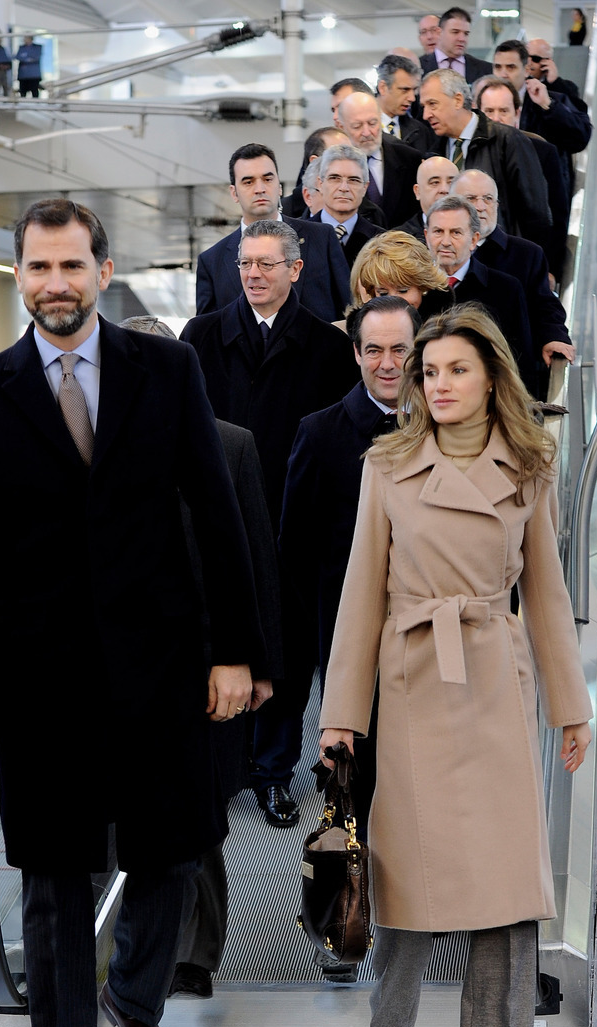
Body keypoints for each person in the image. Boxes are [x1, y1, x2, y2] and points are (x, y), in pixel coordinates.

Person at [0, 199, 265, 1027]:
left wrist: (237, 652)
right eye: (38, 267)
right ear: (19, 276)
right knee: (55, 888)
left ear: (103, 270)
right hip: (44, 683)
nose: (55, 283)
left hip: (160, 668)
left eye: (71, 265)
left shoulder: (166, 371)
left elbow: (216, 512)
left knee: (177, 850)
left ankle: (135, 997)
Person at [318, 303, 592, 1027]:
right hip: (413, 683)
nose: (438, 384)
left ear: (490, 377)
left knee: (506, 896)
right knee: (411, 874)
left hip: (496, 687)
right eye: (429, 372)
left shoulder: (530, 467)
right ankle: (390, 1017)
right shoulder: (388, 465)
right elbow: (360, 593)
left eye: (455, 370)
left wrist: (571, 707)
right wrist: (340, 715)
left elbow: (546, 592)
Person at [115, 316, 283, 1003]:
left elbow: (257, 560)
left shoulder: (230, 444)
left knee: (202, 818)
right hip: (124, 672)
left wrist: (260, 665)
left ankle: (196, 955)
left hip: (211, 668)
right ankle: (131, 953)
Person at [182, 220, 359, 828]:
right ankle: (225, 767)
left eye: (266, 264)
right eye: (245, 264)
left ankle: (274, 772)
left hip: (294, 519)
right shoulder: (201, 338)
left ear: (296, 270)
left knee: (288, 650)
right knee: (225, 641)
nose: (253, 274)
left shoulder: (329, 348)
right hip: (222, 518)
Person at [281, 295, 422, 836]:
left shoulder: (447, 427)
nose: (387, 364)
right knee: (357, 779)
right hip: (353, 640)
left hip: (429, 635)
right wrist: (329, 626)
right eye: (374, 350)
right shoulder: (320, 433)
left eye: (399, 350)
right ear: (357, 354)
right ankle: (362, 886)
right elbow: (295, 548)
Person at [195, 143, 351, 323]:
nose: (260, 189)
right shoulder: (212, 261)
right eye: (248, 182)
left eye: (267, 179)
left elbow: (348, 309)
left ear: (280, 186)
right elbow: (206, 330)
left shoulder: (321, 238)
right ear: (234, 193)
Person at [451, 168, 573, 397]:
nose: (480, 206)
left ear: (497, 205)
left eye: (488, 198)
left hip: (510, 378)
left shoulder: (527, 254)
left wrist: (554, 337)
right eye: (471, 198)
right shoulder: (436, 254)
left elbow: (545, 306)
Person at [418, 69, 551, 252]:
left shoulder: (508, 140)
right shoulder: (433, 151)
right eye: (424, 106)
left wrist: (525, 260)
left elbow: (535, 211)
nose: (426, 115)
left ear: (458, 100)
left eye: (432, 104)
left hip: (502, 257)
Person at [420, 194, 534, 392]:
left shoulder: (506, 289)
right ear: (426, 235)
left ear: (474, 240)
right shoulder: (413, 288)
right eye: (438, 231)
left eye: (456, 233)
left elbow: (521, 361)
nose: (445, 242)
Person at [472, 76, 569, 280]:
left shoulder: (543, 152)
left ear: (517, 113)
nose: (496, 118)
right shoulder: (469, 150)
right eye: (489, 111)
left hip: (524, 261)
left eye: (503, 111)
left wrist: (549, 268)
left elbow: (557, 216)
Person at [491, 40, 591, 208]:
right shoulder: (482, 100)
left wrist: (548, 106)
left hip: (544, 201)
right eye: (498, 67)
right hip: (498, 200)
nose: (503, 74)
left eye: (511, 67)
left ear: (526, 69)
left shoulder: (548, 99)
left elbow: (580, 137)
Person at [337, 91, 424, 230]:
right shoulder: (332, 166)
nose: (367, 132)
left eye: (372, 123)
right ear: (342, 128)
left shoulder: (409, 159)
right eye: (357, 126)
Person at [308, 144, 383, 270]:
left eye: (353, 180)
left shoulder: (381, 241)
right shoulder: (297, 237)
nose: (344, 188)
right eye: (335, 178)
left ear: (365, 188)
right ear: (320, 184)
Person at [349, 229, 448, 308]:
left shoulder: (446, 326)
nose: (393, 301)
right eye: (383, 293)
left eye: (403, 290)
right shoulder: (355, 326)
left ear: (423, 287)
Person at [375, 53, 434, 150]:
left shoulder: (420, 132)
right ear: (383, 87)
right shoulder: (361, 127)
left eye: (414, 90)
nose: (412, 98)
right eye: (405, 90)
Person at [394, 153, 458, 240]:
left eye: (451, 182)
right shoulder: (398, 241)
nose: (445, 189)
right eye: (435, 182)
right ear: (417, 191)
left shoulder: (472, 232)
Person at [422, 5, 492, 82]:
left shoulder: (486, 70)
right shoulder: (419, 67)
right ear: (439, 32)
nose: (462, 39)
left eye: (466, 33)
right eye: (455, 32)